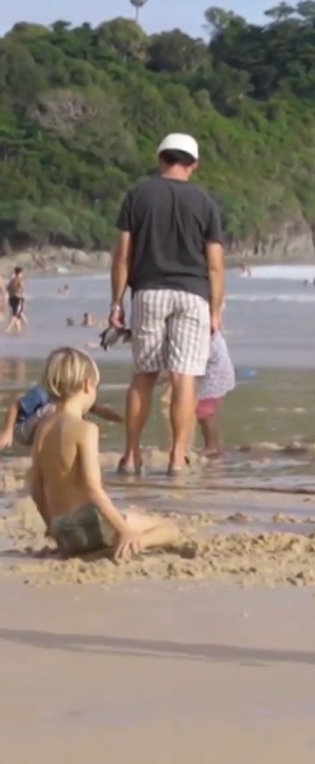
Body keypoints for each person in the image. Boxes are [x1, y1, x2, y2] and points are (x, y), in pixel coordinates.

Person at [108, 132, 226, 476]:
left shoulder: (138, 195)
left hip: (148, 292)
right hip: (193, 295)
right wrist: (215, 310)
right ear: (194, 164)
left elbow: (122, 256)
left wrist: (116, 303)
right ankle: (177, 457)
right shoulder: (205, 202)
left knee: (144, 375)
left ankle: (132, 455)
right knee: (184, 376)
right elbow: (215, 265)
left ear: (160, 159)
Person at [27, 348, 182, 560]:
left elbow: (36, 487)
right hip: (89, 526)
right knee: (170, 529)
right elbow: (93, 488)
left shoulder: (42, 429)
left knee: (128, 516)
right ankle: (130, 545)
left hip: (62, 531)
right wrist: (124, 530)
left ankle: (102, 547)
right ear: (87, 385)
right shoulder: (85, 429)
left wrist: (52, 526)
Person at [0, 379, 121, 454]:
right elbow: (16, 405)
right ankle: (41, 450)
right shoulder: (43, 391)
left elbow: (99, 410)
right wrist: (7, 432)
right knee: (54, 409)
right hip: (23, 429)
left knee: (72, 412)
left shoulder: (74, 398)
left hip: (43, 426)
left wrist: (123, 420)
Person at [5, 266, 26, 334]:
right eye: (22, 273)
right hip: (18, 298)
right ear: (20, 273)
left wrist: (12, 293)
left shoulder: (12, 280)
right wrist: (20, 294)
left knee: (18, 316)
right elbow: (22, 288)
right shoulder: (19, 280)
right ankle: (7, 330)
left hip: (11, 298)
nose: (23, 274)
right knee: (15, 316)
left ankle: (19, 332)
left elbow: (7, 288)